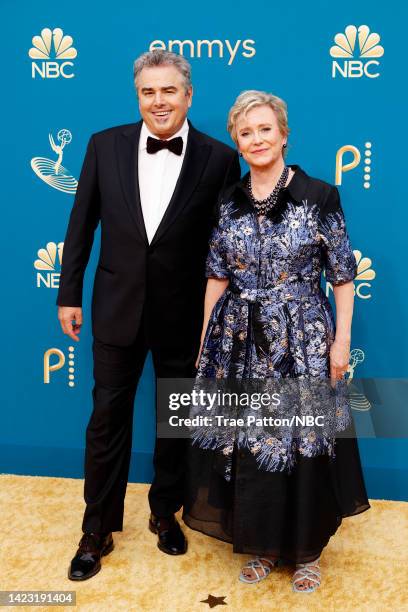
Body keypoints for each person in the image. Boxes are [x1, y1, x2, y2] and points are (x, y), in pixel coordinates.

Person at [56, 49, 240, 581]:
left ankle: (166, 514)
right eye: (148, 92)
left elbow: (224, 244)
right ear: (138, 95)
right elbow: (80, 224)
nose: (158, 101)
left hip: (183, 314)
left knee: (175, 422)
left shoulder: (219, 158)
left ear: (188, 95)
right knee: (106, 421)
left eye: (168, 91)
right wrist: (68, 293)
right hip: (115, 308)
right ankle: (97, 529)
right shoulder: (102, 145)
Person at [182, 90, 370, 593]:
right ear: (237, 143)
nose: (257, 139)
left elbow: (343, 278)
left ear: (284, 134)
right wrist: (205, 346)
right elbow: (216, 277)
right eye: (246, 132)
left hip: (304, 338)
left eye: (265, 129)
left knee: (303, 441)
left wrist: (341, 343)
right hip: (239, 338)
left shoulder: (320, 195)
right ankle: (263, 544)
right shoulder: (228, 200)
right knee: (253, 443)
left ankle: (306, 552)